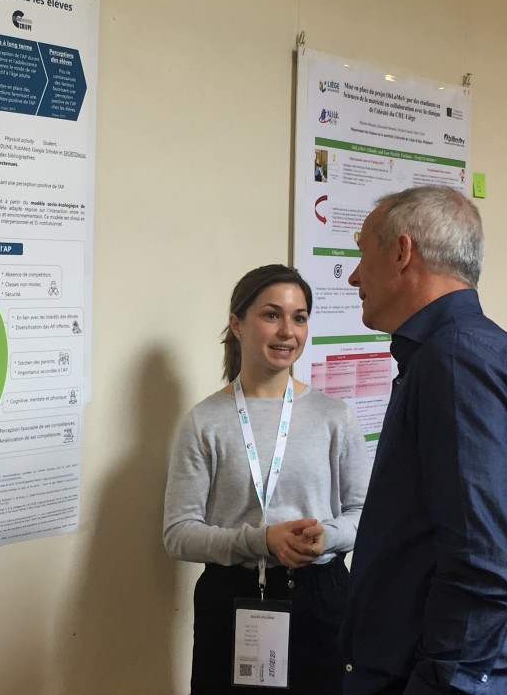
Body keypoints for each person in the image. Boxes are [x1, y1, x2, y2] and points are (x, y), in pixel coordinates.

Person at [340, 186, 507, 694]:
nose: (354, 276)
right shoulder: (464, 351)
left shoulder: (457, 361)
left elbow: (483, 566)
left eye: (362, 254)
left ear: (402, 252)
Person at [163, 264, 371, 695]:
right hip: (233, 595)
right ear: (237, 325)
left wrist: (327, 536)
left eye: (299, 317)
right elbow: (178, 534)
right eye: (272, 315)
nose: (287, 331)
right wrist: (261, 540)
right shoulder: (204, 421)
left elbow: (365, 514)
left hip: (321, 594)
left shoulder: (335, 417)